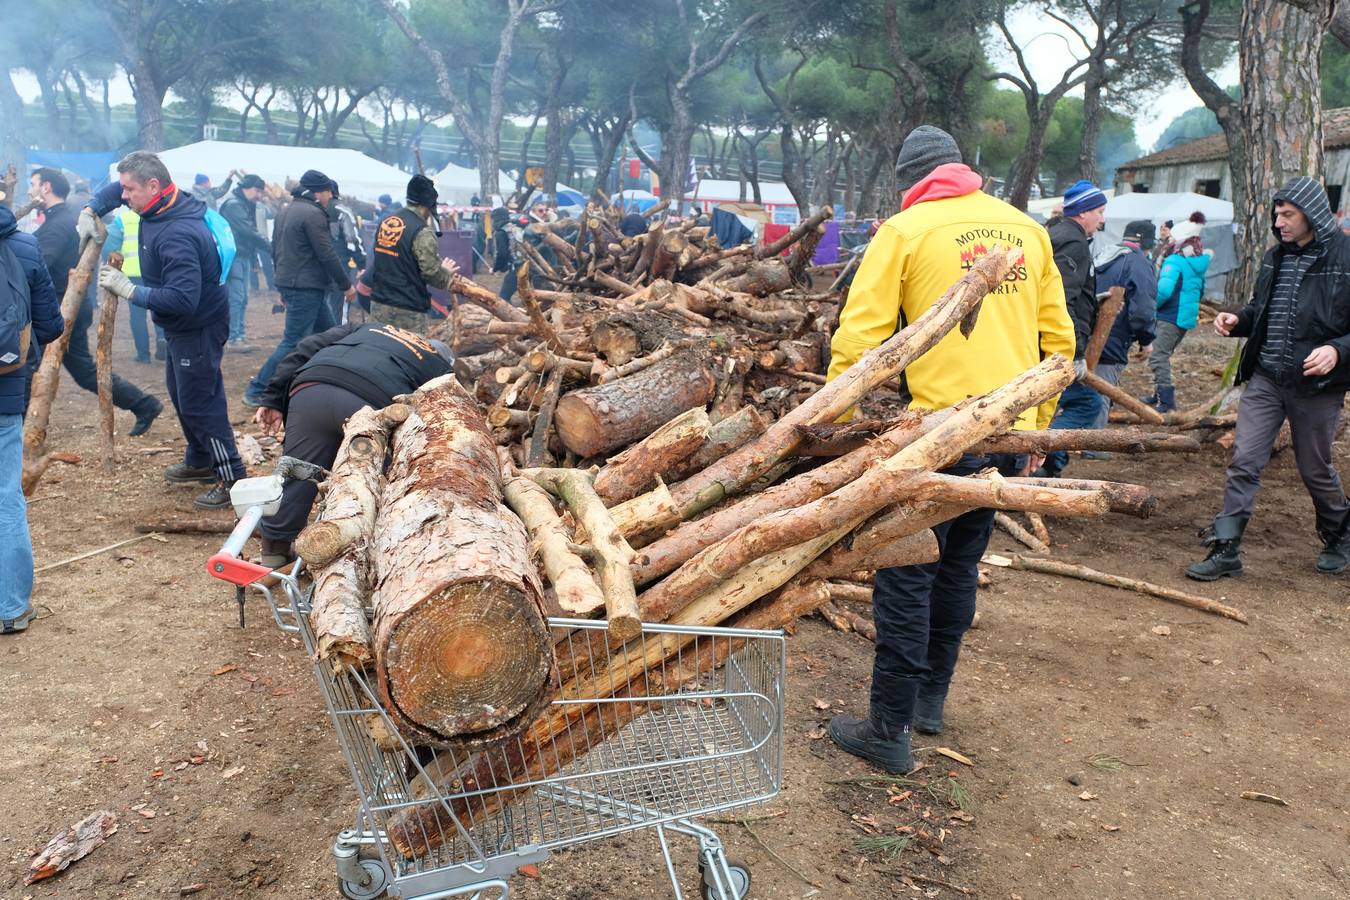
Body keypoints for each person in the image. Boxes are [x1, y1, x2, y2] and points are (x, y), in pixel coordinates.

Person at [824, 125, 1075, 773]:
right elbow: (1059, 343)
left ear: (911, 181)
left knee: (907, 573)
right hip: (1006, 432)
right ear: (962, 170)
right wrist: (1036, 431)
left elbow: (862, 344)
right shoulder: (1028, 230)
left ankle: (889, 728)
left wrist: (834, 429)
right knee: (960, 568)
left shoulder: (904, 232)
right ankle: (931, 702)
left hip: (934, 436)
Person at [1187, 177, 1350, 580]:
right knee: (1244, 460)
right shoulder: (1275, 257)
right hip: (1266, 379)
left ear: (1312, 214)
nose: (1279, 222)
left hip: (1317, 386)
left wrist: (1337, 350)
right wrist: (1238, 319)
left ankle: (1340, 534)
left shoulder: (1346, 255)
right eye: (1277, 214)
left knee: (1314, 467)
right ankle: (1226, 548)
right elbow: (1263, 310)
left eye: (1288, 214)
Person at [87, 151, 246, 509]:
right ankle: (201, 459)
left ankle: (231, 476)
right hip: (184, 327)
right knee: (181, 391)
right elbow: (119, 187)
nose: (122, 197)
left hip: (197, 324)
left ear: (154, 186)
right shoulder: (161, 202)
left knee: (200, 401)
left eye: (130, 191)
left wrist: (129, 290)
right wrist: (91, 207)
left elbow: (182, 299)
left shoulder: (177, 233)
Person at [251, 322, 451, 565]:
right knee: (387, 482)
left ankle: (274, 553)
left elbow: (305, 347)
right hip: (374, 402)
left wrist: (273, 397)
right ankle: (385, 556)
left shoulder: (372, 327)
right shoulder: (439, 366)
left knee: (297, 473)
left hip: (312, 389)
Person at [28, 167, 162, 436]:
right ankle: (144, 404)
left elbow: (38, 267)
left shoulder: (57, 224)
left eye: (33, 184)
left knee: (26, 365)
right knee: (83, 372)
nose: (29, 190)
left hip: (59, 310)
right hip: (65, 307)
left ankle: (13, 427)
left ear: (46, 187)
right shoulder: (61, 219)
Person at [0, 202, 65, 634]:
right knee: (6, 500)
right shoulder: (24, 246)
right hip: (4, 391)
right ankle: (10, 608)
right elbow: (51, 325)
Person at [242, 170, 353, 407]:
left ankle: (331, 380)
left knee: (330, 333)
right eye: (327, 193)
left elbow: (276, 249)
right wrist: (346, 285)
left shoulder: (286, 210)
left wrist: (281, 285)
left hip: (296, 283)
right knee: (293, 341)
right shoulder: (313, 214)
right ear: (319, 192)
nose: (329, 198)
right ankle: (257, 388)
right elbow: (327, 253)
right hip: (305, 286)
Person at [1036, 181, 1107, 476]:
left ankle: (1042, 461)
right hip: (1056, 345)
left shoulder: (1059, 234)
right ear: (1083, 212)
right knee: (1087, 403)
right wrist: (1074, 351)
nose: (1101, 219)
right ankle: (1044, 455)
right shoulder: (1073, 242)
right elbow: (1063, 299)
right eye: (1099, 212)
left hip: (1045, 341)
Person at [1086, 220, 1157, 430]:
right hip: (1112, 336)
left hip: (1086, 330)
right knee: (1103, 389)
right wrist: (1146, 340)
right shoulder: (1140, 263)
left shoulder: (1103, 255)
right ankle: (1093, 444)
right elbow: (1143, 309)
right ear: (1148, 243)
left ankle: (1075, 437)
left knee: (1086, 385)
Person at [366, 174, 458, 333]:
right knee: (411, 355)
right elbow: (432, 274)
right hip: (408, 309)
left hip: (379, 304)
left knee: (379, 351)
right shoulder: (422, 231)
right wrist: (445, 272)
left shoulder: (386, 221)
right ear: (427, 206)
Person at [1142, 212, 1211, 412]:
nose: (1168, 240)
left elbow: (1163, 290)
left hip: (1169, 315)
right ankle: (1158, 395)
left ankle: (1166, 401)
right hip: (1184, 316)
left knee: (1157, 356)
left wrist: (1151, 306)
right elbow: (1201, 289)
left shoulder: (1174, 261)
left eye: (1171, 237)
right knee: (1163, 354)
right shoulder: (1197, 262)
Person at [103, 208, 167, 363]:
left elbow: (109, 247)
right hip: (156, 272)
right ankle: (162, 338)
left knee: (137, 316)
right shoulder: (161, 216)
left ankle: (143, 354)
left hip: (133, 274)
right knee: (159, 307)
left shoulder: (122, 220)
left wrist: (111, 266)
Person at [219, 174, 271, 352]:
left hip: (242, 255)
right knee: (237, 297)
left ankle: (238, 336)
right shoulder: (234, 205)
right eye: (257, 190)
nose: (259, 195)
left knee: (242, 298)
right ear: (246, 187)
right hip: (235, 256)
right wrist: (270, 247)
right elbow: (248, 231)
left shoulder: (241, 203)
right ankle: (234, 338)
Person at [326, 185, 366, 323]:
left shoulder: (314, 210)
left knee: (323, 305)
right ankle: (337, 338)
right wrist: (362, 264)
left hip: (317, 266)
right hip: (339, 264)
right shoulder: (342, 211)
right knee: (339, 308)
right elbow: (352, 241)